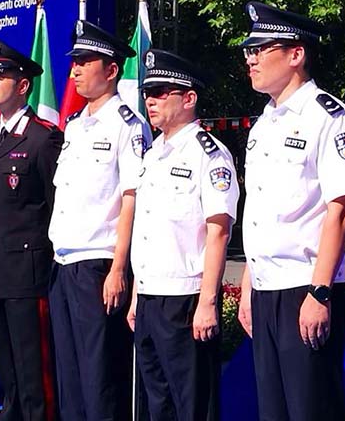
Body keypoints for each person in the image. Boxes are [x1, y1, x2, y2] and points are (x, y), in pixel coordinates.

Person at [237, 2, 345, 420]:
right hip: (268, 288)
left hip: (305, 287)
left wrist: (320, 291)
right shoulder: (263, 124)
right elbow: (260, 214)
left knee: (311, 409)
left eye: (261, 48)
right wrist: (250, 287)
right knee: (273, 411)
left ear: (296, 54)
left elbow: (340, 209)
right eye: (248, 50)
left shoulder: (328, 117)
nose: (250, 58)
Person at [48, 20, 151, 421]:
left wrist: (119, 267)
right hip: (63, 262)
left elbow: (131, 198)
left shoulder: (127, 125)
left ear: (111, 70)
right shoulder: (74, 126)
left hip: (98, 264)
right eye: (74, 61)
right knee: (69, 376)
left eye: (85, 61)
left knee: (100, 376)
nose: (75, 69)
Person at [128, 49, 238, 421]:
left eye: (161, 91)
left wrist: (208, 301)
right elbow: (146, 232)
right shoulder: (152, 153)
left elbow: (218, 231)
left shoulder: (209, 154)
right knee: (156, 401)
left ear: (189, 98)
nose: (151, 100)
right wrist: (136, 296)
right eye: (148, 92)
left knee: (192, 403)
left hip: (185, 298)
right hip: (149, 296)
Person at [0, 37, 64, 421]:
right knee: (7, 363)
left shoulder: (43, 137)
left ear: (23, 85)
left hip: (27, 269)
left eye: (1, 76)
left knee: (33, 367)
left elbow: (53, 205)